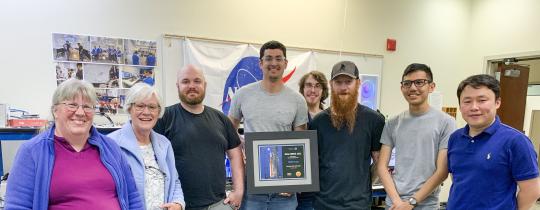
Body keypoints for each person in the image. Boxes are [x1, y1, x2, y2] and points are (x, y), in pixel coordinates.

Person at [5, 78, 143, 210]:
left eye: (87, 107)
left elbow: (133, 198)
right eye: (72, 105)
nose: (80, 112)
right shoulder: (32, 152)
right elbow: (18, 206)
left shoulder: (111, 148)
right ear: (55, 111)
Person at [228, 40, 308, 210]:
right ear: (260, 63)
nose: (273, 63)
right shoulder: (243, 94)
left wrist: (295, 183)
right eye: (268, 58)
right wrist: (241, 145)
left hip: (284, 190)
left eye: (279, 58)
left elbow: (301, 143)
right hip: (251, 186)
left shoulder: (297, 100)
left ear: (285, 63)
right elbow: (228, 130)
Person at [154, 65, 244, 210]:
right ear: (178, 86)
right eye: (185, 81)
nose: (192, 86)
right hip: (178, 206)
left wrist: (238, 191)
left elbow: (235, 155)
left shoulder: (221, 119)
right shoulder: (164, 118)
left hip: (219, 205)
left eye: (197, 81)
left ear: (205, 85)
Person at [447, 74, 540, 209]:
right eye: (467, 101)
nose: (474, 107)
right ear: (460, 106)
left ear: (497, 102)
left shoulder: (516, 141)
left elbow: (531, 190)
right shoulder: (455, 138)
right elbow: (457, 178)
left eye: (482, 100)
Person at [376, 63, 455, 210]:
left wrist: (411, 202)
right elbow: (381, 166)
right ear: (402, 88)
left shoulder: (446, 122)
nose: (412, 88)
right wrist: (397, 202)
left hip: (426, 205)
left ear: (431, 87)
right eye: (407, 83)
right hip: (394, 204)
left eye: (419, 82)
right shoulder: (392, 123)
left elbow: (442, 171)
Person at [309, 61, 385, 210]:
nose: (343, 87)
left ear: (358, 83)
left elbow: (379, 162)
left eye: (348, 82)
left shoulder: (374, 120)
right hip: (324, 203)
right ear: (331, 85)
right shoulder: (318, 122)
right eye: (338, 82)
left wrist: (362, 185)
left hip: (359, 204)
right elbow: (311, 163)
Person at [108, 83, 185, 210]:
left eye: (152, 107)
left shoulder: (164, 144)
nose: (146, 112)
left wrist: (178, 203)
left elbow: (174, 181)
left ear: (159, 111)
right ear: (129, 108)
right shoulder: (111, 143)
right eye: (140, 106)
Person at [296, 71, 328, 210]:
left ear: (323, 90)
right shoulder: (294, 117)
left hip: (326, 186)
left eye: (317, 86)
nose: (313, 90)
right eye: (308, 85)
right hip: (302, 189)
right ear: (302, 89)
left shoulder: (331, 118)